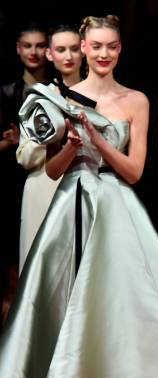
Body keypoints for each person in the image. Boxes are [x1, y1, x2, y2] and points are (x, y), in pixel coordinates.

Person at [0, 15, 158, 378]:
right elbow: (52, 169)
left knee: (118, 300)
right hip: (71, 201)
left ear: (119, 49)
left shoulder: (136, 100)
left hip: (116, 204)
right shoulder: (60, 96)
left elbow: (133, 171)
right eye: (96, 46)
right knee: (58, 297)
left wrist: (98, 139)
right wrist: (71, 146)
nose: (103, 53)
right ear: (83, 48)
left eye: (111, 46)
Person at [16, 25, 84, 273]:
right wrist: (51, 139)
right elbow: (23, 156)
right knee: (40, 272)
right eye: (61, 49)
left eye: (74, 49)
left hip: (83, 185)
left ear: (84, 51)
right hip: (42, 185)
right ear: (50, 54)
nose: (68, 56)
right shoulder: (38, 97)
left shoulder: (97, 97)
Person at [0, 22, 48, 326]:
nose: (34, 52)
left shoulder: (58, 90)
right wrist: (12, 141)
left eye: (39, 45)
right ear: (18, 49)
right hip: (9, 182)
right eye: (27, 45)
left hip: (46, 177)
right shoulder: (6, 93)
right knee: (11, 265)